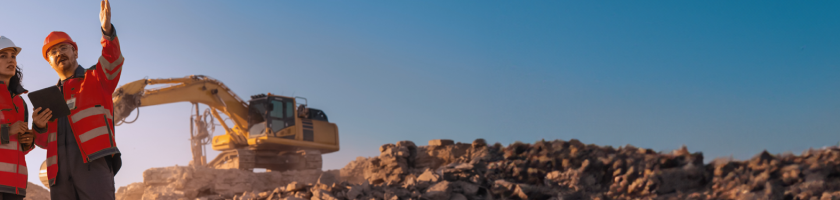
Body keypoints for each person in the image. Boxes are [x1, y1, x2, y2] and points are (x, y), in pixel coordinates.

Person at [32, 0, 124, 199]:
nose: (59, 53)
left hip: (94, 164)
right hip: (58, 173)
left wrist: (107, 32)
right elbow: (44, 141)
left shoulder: (97, 78)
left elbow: (112, 60)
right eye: (53, 52)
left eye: (64, 48)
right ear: (49, 62)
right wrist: (38, 126)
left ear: (75, 51)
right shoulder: (48, 98)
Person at [0, 35, 36, 200]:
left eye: (13, 56)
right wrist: (7, 130)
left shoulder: (21, 102)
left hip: (15, 186)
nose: (11, 60)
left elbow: (20, 149)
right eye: (3, 56)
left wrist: (28, 141)